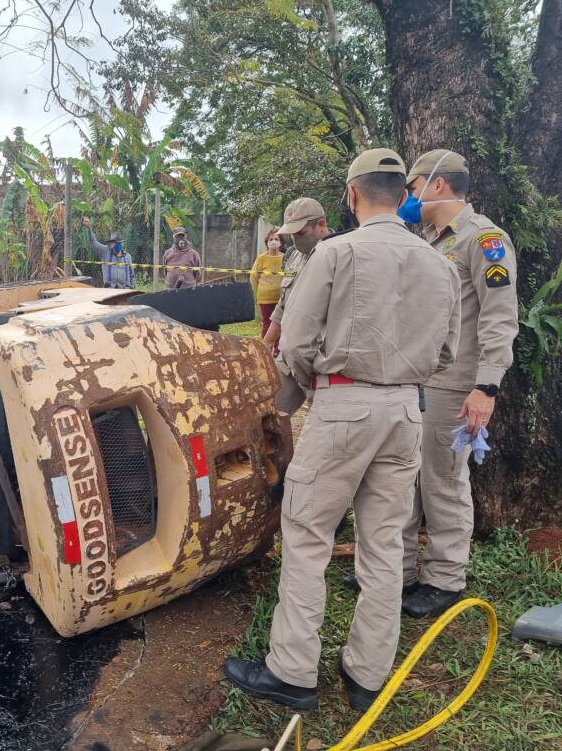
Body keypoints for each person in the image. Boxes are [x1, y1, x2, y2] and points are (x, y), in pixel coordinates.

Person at [224, 148, 461, 712]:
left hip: (344, 406)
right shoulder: (441, 265)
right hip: (406, 411)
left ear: (352, 195)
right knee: (384, 543)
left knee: (307, 533)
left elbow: (297, 343)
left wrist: (293, 399)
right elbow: (447, 355)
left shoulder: (336, 253)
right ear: (402, 195)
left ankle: (292, 672)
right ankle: (367, 676)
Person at [394, 149, 519, 619]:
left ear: (437, 185)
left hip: (456, 385)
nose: (407, 198)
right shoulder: (426, 239)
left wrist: (486, 387)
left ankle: (444, 579)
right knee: (405, 476)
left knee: (443, 479)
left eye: (412, 188)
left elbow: (499, 318)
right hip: (416, 379)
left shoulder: (484, 240)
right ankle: (398, 570)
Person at [263, 198, 333, 350]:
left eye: (301, 233)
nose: (296, 239)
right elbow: (283, 305)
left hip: (320, 354)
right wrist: (266, 344)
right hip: (291, 352)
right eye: (292, 234)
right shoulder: (294, 256)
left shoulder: (337, 257)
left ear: (321, 224)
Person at [250, 228, 286, 340]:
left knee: (280, 325)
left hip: (281, 298)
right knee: (267, 324)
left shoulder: (285, 258)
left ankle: (277, 349)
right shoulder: (261, 258)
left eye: (276, 239)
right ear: (267, 242)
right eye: (271, 239)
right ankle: (265, 347)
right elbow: (253, 277)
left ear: (281, 242)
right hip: (265, 298)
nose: (273, 241)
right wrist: (259, 291)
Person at [85, 218, 134, 289]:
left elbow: (132, 275)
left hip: (125, 290)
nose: (117, 244)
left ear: (122, 243)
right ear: (111, 244)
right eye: (115, 243)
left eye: (119, 243)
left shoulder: (128, 257)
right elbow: (93, 242)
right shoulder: (105, 252)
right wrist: (89, 229)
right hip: (110, 289)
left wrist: (132, 288)